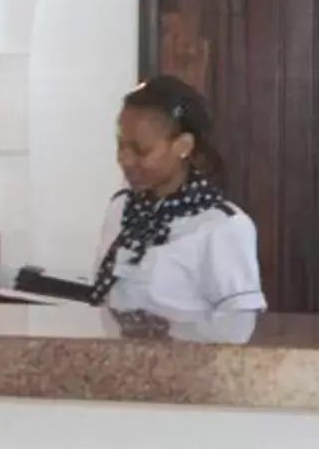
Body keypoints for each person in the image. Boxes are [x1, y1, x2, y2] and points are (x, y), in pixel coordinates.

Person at [90, 74, 266, 317]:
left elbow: (240, 328)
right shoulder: (121, 207)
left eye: (141, 150)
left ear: (183, 146)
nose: (125, 160)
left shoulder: (222, 226)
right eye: (121, 145)